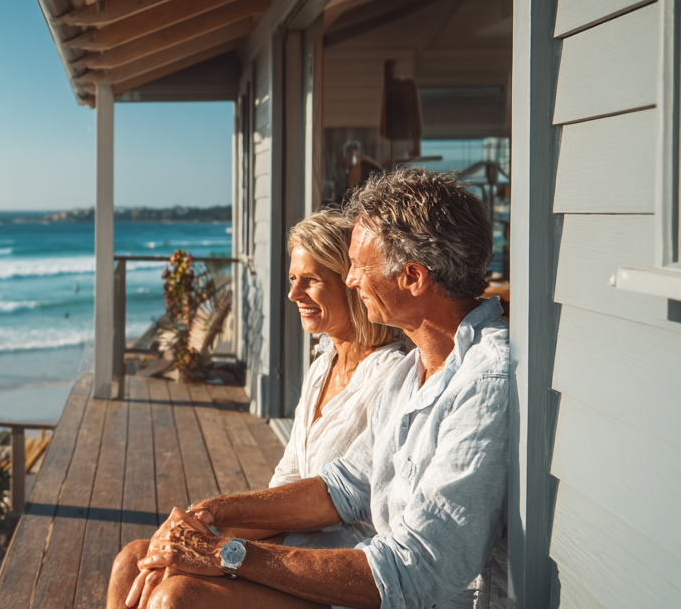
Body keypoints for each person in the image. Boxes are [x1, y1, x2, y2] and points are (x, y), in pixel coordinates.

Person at [118, 167, 509, 609]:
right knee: (138, 560)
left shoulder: (484, 381)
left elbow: (413, 573)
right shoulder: (413, 372)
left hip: (415, 597)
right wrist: (213, 513)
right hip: (379, 579)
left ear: (413, 277)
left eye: (360, 267)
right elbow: (340, 488)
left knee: (180, 596)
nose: (352, 279)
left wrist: (225, 552)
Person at [107, 209, 409, 609]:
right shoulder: (323, 365)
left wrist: (213, 540)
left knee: (176, 597)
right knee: (134, 559)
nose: (293, 294)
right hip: (287, 543)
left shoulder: (392, 375)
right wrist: (193, 534)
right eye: (292, 279)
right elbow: (285, 484)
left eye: (311, 280)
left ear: (351, 282)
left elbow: (344, 503)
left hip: (336, 566)